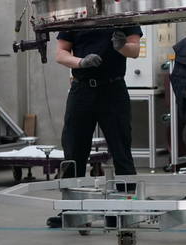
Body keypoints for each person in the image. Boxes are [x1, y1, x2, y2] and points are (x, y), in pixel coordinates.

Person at [46, 26, 143, 228]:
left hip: (113, 90)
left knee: (121, 151)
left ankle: (125, 209)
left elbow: (134, 50)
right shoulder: (76, 18)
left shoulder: (122, 16)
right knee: (74, 151)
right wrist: (80, 63)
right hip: (81, 90)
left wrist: (122, 46)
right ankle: (72, 209)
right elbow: (60, 53)